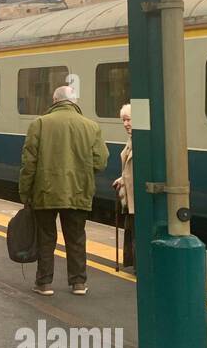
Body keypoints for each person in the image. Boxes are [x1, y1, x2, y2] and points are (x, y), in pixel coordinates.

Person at [19, 84, 109, 296]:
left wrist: (25, 193)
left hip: (45, 191)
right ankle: (78, 283)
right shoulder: (91, 126)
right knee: (76, 237)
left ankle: (44, 283)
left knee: (46, 237)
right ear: (74, 102)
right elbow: (101, 161)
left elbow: (28, 163)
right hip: (78, 190)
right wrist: (82, 172)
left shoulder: (39, 124)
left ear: (54, 101)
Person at [112, 104, 135, 272]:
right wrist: (122, 179)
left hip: (137, 197)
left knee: (136, 231)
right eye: (124, 120)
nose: (126, 124)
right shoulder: (131, 140)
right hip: (130, 196)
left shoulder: (141, 141)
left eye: (129, 120)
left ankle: (139, 266)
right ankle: (135, 264)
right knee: (131, 230)